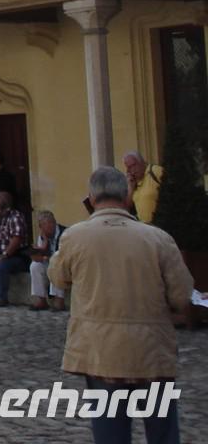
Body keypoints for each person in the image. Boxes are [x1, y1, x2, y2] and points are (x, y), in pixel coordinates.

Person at [50, 165, 193, 444]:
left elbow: (57, 276)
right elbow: (181, 295)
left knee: (110, 432)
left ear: (91, 199)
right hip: (151, 349)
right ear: (127, 197)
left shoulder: (75, 237)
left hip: (101, 351)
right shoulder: (158, 238)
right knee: (162, 431)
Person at [28, 209, 66, 312]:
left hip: (65, 266)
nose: (49, 227)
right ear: (41, 227)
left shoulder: (64, 234)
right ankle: (41, 299)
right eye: (44, 225)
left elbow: (63, 256)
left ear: (54, 223)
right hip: (50, 264)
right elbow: (41, 255)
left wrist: (44, 258)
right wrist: (38, 253)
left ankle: (59, 300)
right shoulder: (43, 236)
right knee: (35, 266)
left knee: (55, 265)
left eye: (50, 223)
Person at [123, 151, 164, 224]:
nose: (131, 170)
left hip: (161, 222)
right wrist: (130, 187)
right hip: (144, 226)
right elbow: (127, 205)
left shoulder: (155, 171)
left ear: (142, 162)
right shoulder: (133, 182)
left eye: (133, 165)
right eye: (128, 168)